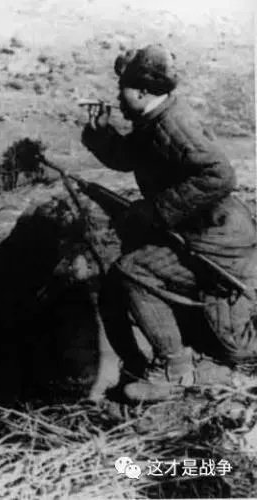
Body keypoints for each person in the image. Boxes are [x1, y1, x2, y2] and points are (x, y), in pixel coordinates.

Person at [81, 44, 257, 402]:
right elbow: (129, 156)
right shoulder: (155, 118)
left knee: (134, 271)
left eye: (121, 89)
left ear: (142, 91)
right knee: (130, 269)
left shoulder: (172, 124)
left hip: (218, 242)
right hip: (198, 232)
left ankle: (175, 372)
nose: (117, 96)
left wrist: (156, 210)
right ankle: (166, 357)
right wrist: (101, 134)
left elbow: (219, 175)